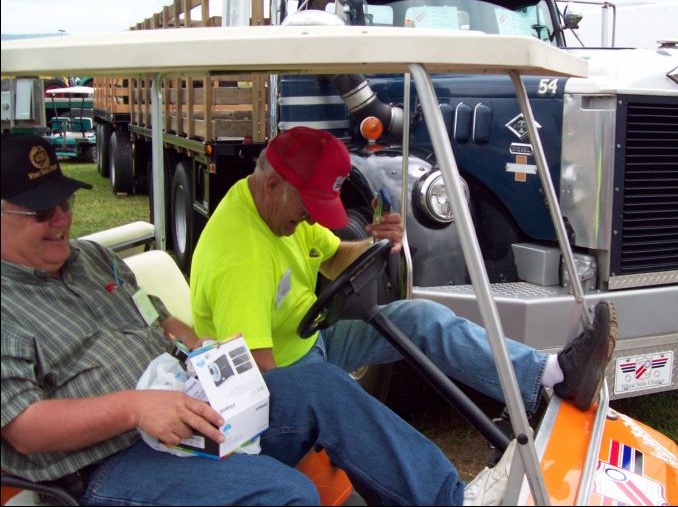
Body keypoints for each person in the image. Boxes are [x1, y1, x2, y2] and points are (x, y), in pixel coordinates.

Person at [0, 134, 472, 506]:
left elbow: (158, 319)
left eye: (65, 203)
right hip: (111, 460)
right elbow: (23, 425)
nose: (61, 220)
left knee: (323, 386)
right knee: (285, 494)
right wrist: (137, 408)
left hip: (188, 408)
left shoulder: (91, 259)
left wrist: (205, 351)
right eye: (43, 211)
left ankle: (446, 499)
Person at [190, 126, 617, 421]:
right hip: (285, 372)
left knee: (422, 318)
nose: (307, 219)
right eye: (307, 207)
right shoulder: (240, 257)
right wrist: (330, 396)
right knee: (370, 422)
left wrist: (377, 243)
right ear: (272, 185)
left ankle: (550, 375)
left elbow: (335, 255)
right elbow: (263, 378)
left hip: (311, 339)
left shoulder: (279, 213)